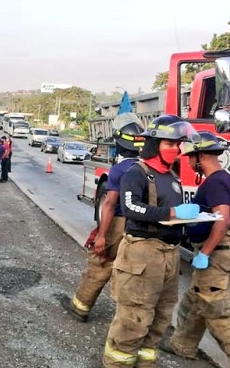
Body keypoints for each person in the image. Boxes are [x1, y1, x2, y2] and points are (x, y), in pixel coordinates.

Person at [103, 114, 200, 368]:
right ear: (155, 144)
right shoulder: (137, 173)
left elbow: (174, 209)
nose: (177, 149)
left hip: (169, 256)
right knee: (134, 317)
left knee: (161, 316)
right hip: (143, 254)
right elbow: (132, 207)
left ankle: (145, 363)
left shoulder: (173, 176)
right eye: (170, 144)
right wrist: (172, 214)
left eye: (179, 144)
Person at [162, 131, 230, 367]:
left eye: (190, 157)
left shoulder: (214, 182)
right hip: (222, 246)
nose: (187, 162)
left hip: (213, 251)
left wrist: (205, 253)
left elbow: (223, 219)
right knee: (194, 300)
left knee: (218, 311)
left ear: (201, 155)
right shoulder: (229, 179)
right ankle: (182, 345)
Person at [63, 117, 145, 321]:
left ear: (119, 144)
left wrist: (101, 236)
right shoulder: (147, 169)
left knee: (100, 264)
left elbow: (109, 204)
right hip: (141, 227)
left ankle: (81, 307)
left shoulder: (119, 170)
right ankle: (135, 320)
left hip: (118, 223)